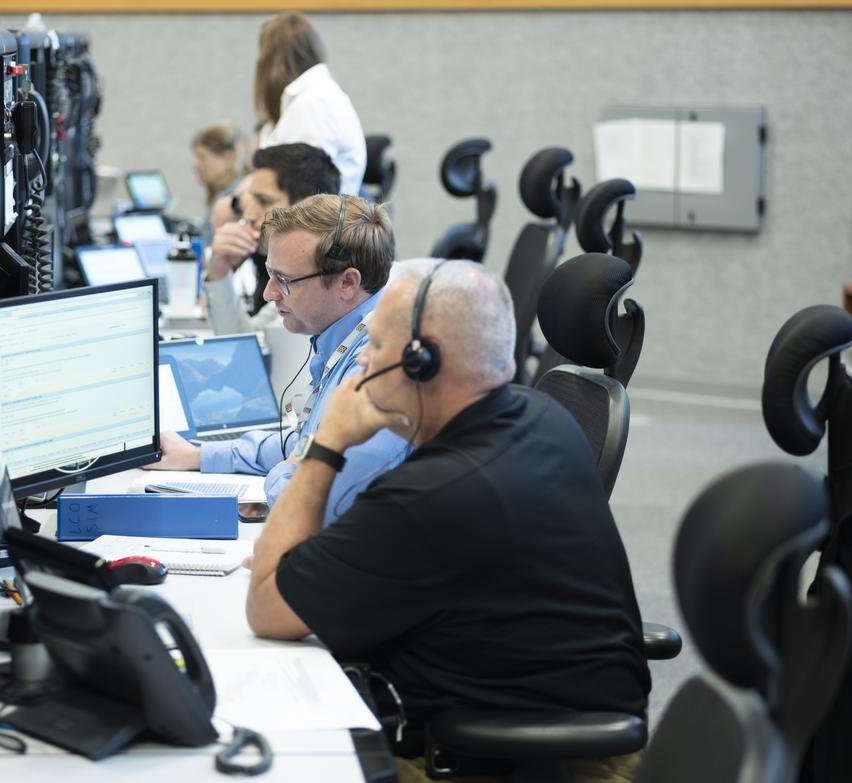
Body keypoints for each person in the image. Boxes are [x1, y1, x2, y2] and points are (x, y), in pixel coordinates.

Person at [245, 259, 651, 782]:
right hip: (558, 737)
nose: (363, 360)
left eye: (377, 343)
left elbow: (266, 607)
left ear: (421, 360)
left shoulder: (434, 494)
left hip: (495, 760)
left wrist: (327, 444)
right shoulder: (541, 416)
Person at [149, 194, 411, 528]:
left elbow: (307, 504)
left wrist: (289, 468)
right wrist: (198, 456)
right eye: (270, 275)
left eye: (285, 281)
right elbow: (302, 443)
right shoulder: (348, 336)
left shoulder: (377, 369)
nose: (269, 293)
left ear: (347, 282)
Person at [203, 142, 339, 336]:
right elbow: (245, 343)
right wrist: (219, 272)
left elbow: (244, 352)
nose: (249, 215)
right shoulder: (291, 278)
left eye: (263, 201)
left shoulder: (314, 286)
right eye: (250, 200)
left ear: (307, 206)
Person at [253, 12, 366, 197]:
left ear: (271, 62)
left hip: (311, 222)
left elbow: (301, 192)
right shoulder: (311, 98)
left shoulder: (313, 103)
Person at [191, 121, 244, 210]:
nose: (195, 164)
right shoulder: (221, 194)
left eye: (202, 157)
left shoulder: (236, 200)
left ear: (228, 158)